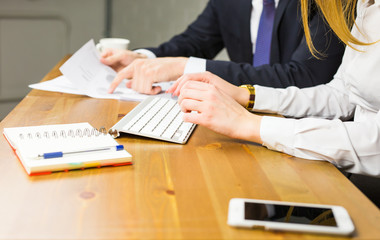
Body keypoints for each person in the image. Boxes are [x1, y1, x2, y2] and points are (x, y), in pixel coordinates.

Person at [167, 0, 380, 177]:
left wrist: (252, 125)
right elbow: (342, 94)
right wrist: (246, 94)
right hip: (350, 166)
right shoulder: (364, 5)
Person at [101, 0, 344, 95]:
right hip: (240, 120)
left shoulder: (327, 3)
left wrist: (185, 68)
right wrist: (143, 58)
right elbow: (196, 41)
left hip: (307, 133)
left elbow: (308, 76)